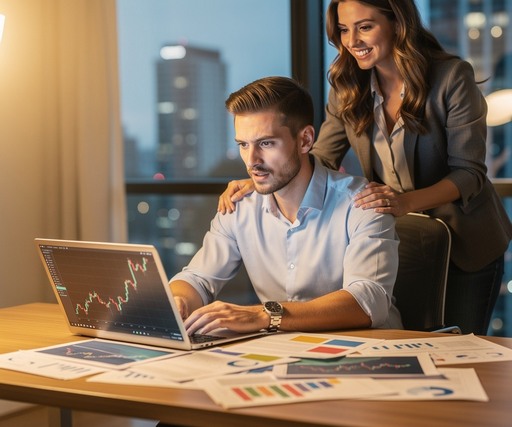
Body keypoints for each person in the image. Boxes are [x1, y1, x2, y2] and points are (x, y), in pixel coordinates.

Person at [217, 0, 512, 335]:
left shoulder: (450, 78)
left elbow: (469, 173)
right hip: (400, 238)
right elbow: (321, 157)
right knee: (409, 343)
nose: (352, 40)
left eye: (365, 26)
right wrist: (261, 178)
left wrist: (404, 202)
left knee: (461, 350)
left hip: (466, 242)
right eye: (344, 29)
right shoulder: (347, 86)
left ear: (398, 24)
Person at [169, 76, 402, 336]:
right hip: (282, 355)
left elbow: (368, 301)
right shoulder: (240, 206)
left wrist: (263, 314)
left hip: (368, 354)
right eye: (243, 145)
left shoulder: (363, 203)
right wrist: (179, 302)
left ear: (304, 140)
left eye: (266, 143)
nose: (251, 160)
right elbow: (197, 279)